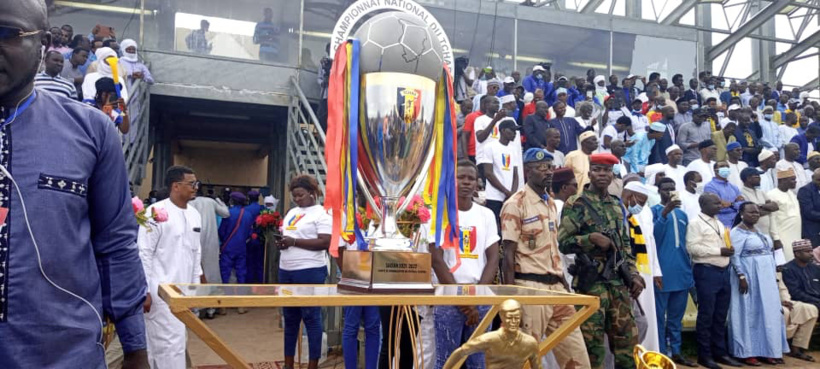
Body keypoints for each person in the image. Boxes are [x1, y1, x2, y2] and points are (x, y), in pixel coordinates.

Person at [0, 2, 149, 366]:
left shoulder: (91, 132)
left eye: (7, 34)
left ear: (45, 42)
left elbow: (115, 244)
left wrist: (135, 350)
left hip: (61, 355)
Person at [500, 149, 591, 368]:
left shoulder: (550, 203)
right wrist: (511, 300)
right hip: (530, 288)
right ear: (527, 170)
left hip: (557, 288)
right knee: (523, 360)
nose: (548, 172)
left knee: (577, 357)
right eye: (541, 168)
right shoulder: (516, 203)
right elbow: (508, 254)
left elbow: (553, 250)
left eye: (550, 167)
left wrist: (563, 284)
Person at [558, 153, 645, 369]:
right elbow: (563, 242)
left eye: (607, 171)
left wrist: (633, 274)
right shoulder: (576, 203)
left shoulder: (616, 204)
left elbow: (624, 244)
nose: (602, 174)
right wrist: (591, 239)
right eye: (597, 170)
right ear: (589, 173)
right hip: (591, 285)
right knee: (592, 348)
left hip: (618, 284)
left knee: (627, 346)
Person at [432, 160, 500, 369]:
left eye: (471, 178)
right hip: (448, 299)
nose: (466, 182)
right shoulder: (439, 213)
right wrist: (460, 297)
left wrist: (475, 296)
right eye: (461, 177)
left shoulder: (486, 214)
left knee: (478, 362)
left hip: (480, 298)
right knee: (446, 362)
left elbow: (493, 258)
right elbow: (436, 258)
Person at [139, 166, 202, 369]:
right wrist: (145, 290)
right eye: (191, 184)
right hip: (160, 292)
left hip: (183, 292)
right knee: (165, 344)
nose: (195, 188)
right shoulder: (155, 212)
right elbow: (144, 253)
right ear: (176, 186)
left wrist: (195, 289)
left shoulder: (194, 214)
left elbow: (195, 253)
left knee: (177, 341)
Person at [277, 175, 331, 369]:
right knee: (289, 319)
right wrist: (283, 243)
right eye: (294, 196)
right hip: (286, 270)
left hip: (309, 271)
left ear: (312, 193)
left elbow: (325, 242)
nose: (297, 199)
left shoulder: (322, 213)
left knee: (311, 317)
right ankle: (288, 364)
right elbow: (288, 235)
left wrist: (294, 242)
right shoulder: (292, 212)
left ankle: (312, 365)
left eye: (300, 195)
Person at [727, 202, 789, 365]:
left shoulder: (758, 231)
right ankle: (747, 352)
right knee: (750, 313)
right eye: (751, 212)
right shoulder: (736, 232)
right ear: (741, 214)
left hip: (766, 278)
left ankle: (767, 349)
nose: (755, 214)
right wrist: (741, 276)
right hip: (749, 276)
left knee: (767, 313)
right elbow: (735, 256)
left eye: (757, 212)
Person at [687, 193, 743, 369]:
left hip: (723, 272)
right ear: (703, 204)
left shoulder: (718, 222)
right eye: (715, 203)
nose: (720, 206)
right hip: (706, 272)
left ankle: (720, 353)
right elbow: (692, 248)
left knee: (720, 316)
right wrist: (719, 251)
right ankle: (705, 355)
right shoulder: (696, 223)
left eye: (720, 203)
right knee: (707, 315)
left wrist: (728, 250)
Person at [651, 178, 696, 366]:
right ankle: (661, 353)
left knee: (676, 319)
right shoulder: (652, 212)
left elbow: (685, 243)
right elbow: (654, 238)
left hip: (681, 272)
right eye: (665, 189)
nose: (669, 191)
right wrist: (664, 213)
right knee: (660, 318)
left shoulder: (682, 214)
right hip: (662, 272)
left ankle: (676, 351)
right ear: (658, 191)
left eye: (672, 188)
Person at [440, 300, 540, 369]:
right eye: (509, 318)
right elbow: (460, 352)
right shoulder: (490, 339)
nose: (513, 322)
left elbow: (537, 366)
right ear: (502, 317)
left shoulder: (530, 342)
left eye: (517, 318)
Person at [621, 180, 661, 352]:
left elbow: (650, 243)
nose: (642, 207)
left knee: (644, 318)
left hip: (644, 271)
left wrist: (656, 271)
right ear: (630, 196)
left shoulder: (646, 214)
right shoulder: (617, 213)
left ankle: (645, 353)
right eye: (641, 202)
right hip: (626, 274)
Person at [189, 191, 230, 319]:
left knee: (194, 273)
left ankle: (195, 308)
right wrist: (218, 199)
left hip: (194, 240)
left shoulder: (189, 203)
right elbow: (226, 213)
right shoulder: (211, 202)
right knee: (212, 272)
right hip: (211, 242)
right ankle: (211, 308)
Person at [779, 240, 820, 362]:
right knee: (811, 310)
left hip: (815, 301)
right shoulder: (788, 269)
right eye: (807, 251)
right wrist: (816, 301)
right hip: (796, 301)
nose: (811, 254)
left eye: (811, 250)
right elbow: (795, 292)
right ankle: (796, 348)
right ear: (797, 253)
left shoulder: (814, 268)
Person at [478, 119, 520, 230]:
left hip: (509, 197)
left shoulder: (513, 149)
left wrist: (512, 194)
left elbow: (515, 175)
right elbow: (488, 173)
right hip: (494, 196)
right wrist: (506, 192)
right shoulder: (490, 147)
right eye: (512, 130)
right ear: (503, 130)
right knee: (494, 226)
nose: (515, 133)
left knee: (508, 227)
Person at [218, 192, 254, 299]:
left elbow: (221, 231)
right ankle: (240, 302)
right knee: (241, 272)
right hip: (242, 247)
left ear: (232, 201)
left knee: (225, 272)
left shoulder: (228, 213)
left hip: (228, 247)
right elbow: (249, 233)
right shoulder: (248, 215)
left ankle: (225, 301)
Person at [768, 168, 802, 262]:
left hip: (796, 235)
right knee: (786, 262)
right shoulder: (772, 195)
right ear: (782, 180)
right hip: (783, 236)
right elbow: (772, 219)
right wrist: (776, 239)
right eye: (792, 179)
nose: (795, 182)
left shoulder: (791, 193)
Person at [739, 168, 780, 244]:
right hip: (753, 235)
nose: (759, 178)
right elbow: (752, 214)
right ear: (748, 178)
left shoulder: (760, 192)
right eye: (757, 176)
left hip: (768, 234)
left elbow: (775, 207)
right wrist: (767, 209)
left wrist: (760, 206)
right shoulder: (741, 194)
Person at [703, 161, 745, 228]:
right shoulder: (710, 186)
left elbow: (742, 205)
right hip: (721, 222)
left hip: (737, 222)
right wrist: (734, 202)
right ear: (715, 170)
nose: (725, 168)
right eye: (722, 166)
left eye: (727, 167)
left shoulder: (734, 187)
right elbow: (718, 206)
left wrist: (731, 204)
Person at [564, 131, 598, 195]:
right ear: (584, 142)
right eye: (593, 140)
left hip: (593, 197)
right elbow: (566, 178)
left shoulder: (597, 158)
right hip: (575, 197)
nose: (596, 142)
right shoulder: (572, 156)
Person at [245, 190, 265, 284]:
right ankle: (260, 281)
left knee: (249, 262)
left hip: (249, 239)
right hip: (261, 239)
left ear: (249, 198)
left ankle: (249, 282)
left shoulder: (245, 209)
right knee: (260, 262)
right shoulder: (263, 209)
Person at [798, 169, 820, 247]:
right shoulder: (805, 190)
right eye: (818, 180)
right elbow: (809, 212)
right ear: (812, 177)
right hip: (812, 232)